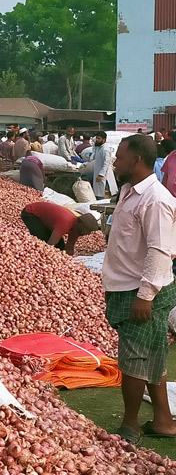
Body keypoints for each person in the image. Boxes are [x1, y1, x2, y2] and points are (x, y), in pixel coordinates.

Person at [102, 135, 176, 443]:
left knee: (134, 359)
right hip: (126, 287)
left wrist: (145, 296)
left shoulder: (155, 199)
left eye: (119, 157)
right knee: (151, 354)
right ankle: (164, 421)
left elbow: (160, 250)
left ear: (136, 160)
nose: (114, 162)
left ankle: (130, 425)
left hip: (142, 292)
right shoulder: (129, 192)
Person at [21, 202, 99, 255]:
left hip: (44, 219)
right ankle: (32, 255)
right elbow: (50, 244)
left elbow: (70, 246)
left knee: (60, 246)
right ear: (81, 224)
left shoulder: (76, 229)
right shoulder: (65, 222)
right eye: (88, 230)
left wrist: (68, 260)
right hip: (30, 213)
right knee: (43, 239)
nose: (88, 233)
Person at [91, 131, 109, 199]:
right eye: (96, 138)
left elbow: (106, 163)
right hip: (97, 172)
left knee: (101, 193)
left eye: (99, 139)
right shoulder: (99, 148)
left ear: (104, 139)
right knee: (97, 192)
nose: (97, 140)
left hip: (102, 175)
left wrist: (101, 175)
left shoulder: (105, 149)